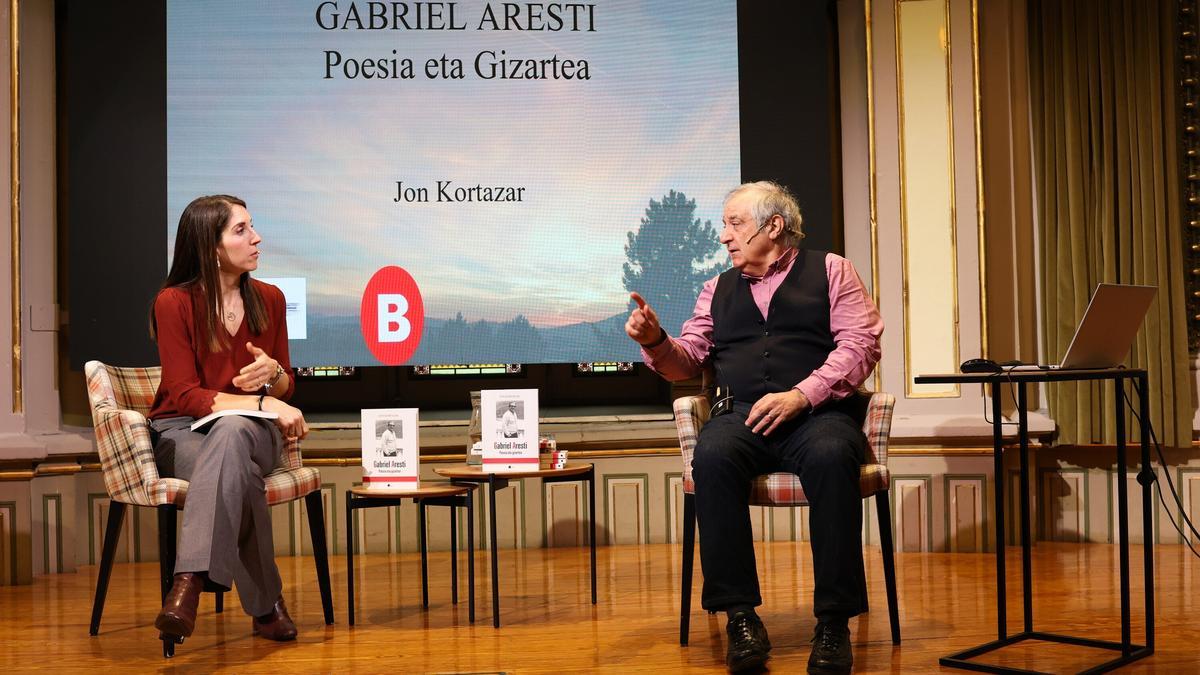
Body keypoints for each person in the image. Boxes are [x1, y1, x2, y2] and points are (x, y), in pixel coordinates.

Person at [625, 181, 882, 674]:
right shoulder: (714, 289)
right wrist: (656, 340)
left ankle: (833, 622)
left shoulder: (832, 271)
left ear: (774, 226)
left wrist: (802, 394)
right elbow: (688, 359)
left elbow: (860, 345)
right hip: (741, 414)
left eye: (734, 223)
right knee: (713, 456)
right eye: (725, 225)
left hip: (817, 413)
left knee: (832, 456)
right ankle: (740, 616)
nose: (724, 236)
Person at [148, 194, 310, 644]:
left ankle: (189, 583)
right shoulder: (173, 303)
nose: (256, 238)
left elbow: (286, 384)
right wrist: (263, 404)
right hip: (181, 431)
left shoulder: (271, 299)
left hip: (254, 433)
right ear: (210, 245)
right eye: (241, 230)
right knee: (237, 471)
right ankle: (265, 606)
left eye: (251, 226)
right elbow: (183, 394)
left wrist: (273, 378)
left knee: (236, 433)